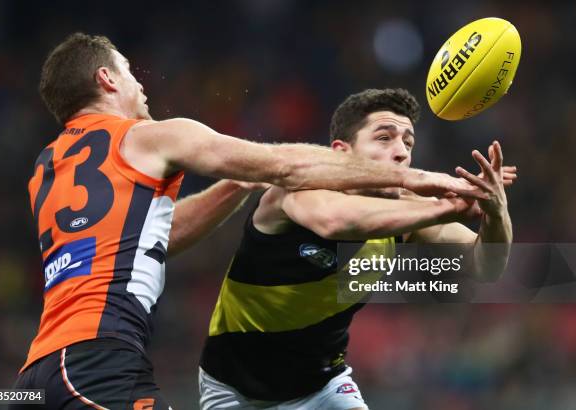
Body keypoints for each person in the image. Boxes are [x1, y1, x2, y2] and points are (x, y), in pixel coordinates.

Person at [13, 31, 484, 409]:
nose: (141, 84)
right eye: (130, 72)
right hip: (100, 363)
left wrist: (237, 184)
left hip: (34, 377)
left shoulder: (47, 166)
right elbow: (288, 168)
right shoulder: (151, 136)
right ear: (107, 79)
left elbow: (155, 238)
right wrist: (423, 181)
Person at [197, 88, 516, 410]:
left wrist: (496, 212)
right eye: (384, 138)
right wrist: (450, 207)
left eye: (408, 142)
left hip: (321, 388)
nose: (401, 152)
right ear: (341, 152)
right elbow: (334, 222)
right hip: (234, 390)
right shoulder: (294, 191)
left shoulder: (412, 213)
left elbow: (486, 265)